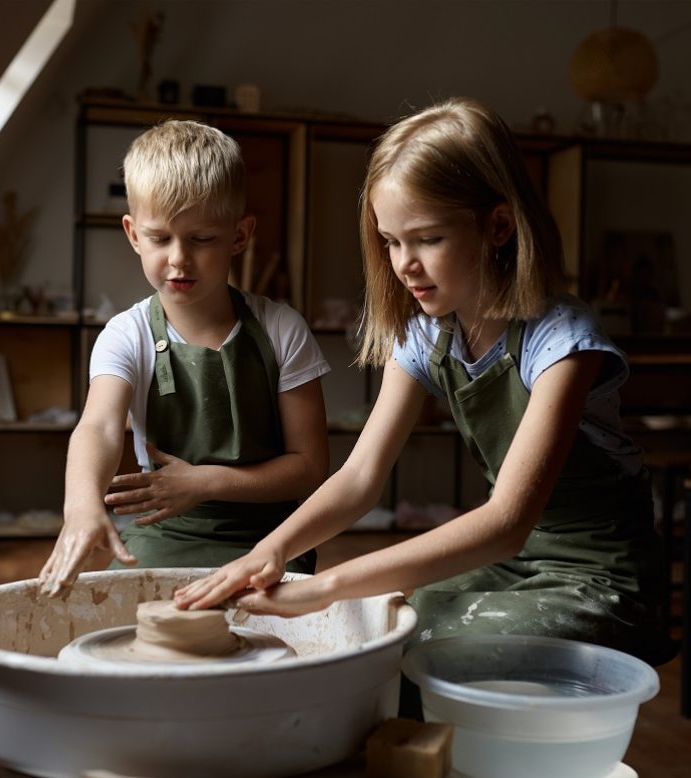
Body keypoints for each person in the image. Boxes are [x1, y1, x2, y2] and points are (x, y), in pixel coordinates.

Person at [175, 97, 668, 666]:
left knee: (419, 646)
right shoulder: (426, 334)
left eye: (428, 239)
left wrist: (326, 586)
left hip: (600, 575)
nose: (404, 263)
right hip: (513, 564)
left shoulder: (561, 341)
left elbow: (506, 522)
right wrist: (269, 551)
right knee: (386, 630)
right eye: (390, 241)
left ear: (499, 227)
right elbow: (360, 477)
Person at [39, 120, 330, 597]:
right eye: (160, 238)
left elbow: (311, 466)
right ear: (133, 234)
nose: (179, 259)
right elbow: (99, 427)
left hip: (272, 535)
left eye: (201, 239)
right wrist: (82, 505)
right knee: (119, 616)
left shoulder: (281, 329)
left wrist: (206, 483)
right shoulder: (125, 333)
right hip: (162, 530)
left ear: (239, 235)